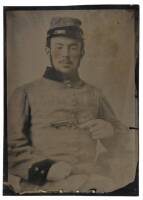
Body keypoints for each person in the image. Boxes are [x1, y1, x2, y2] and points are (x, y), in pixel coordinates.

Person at [7, 17, 137, 193]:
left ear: (82, 52)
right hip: (39, 189)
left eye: (73, 47)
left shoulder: (95, 94)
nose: (66, 54)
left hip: (89, 187)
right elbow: (10, 149)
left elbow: (127, 144)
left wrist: (111, 131)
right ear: (48, 50)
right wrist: (46, 169)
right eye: (59, 47)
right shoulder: (25, 93)